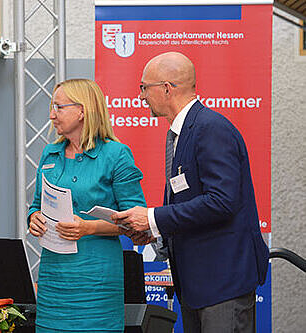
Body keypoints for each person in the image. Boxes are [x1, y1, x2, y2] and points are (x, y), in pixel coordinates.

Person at [112, 52, 269, 333]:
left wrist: (152, 217)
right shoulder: (181, 133)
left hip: (222, 285)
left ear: (166, 88)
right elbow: (190, 201)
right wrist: (155, 232)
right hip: (198, 285)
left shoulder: (211, 129)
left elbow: (222, 202)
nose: (141, 97)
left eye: (144, 88)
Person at [28, 79, 146, 332]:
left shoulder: (116, 155)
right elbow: (36, 205)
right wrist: (34, 217)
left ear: (82, 111)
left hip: (96, 279)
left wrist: (89, 228)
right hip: (54, 278)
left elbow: (136, 221)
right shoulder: (50, 154)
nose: (51, 115)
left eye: (58, 107)